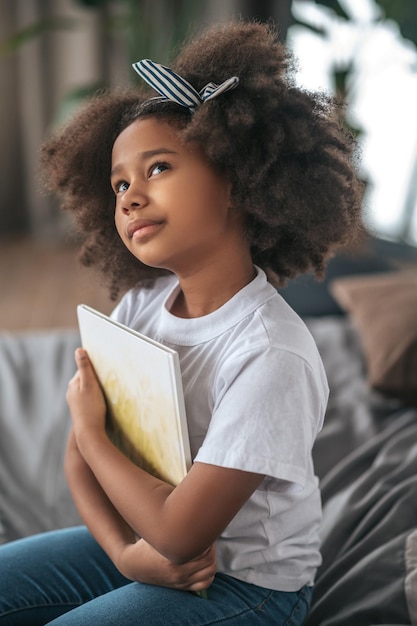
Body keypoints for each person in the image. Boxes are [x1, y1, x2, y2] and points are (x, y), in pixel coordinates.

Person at [0, 20, 363, 625]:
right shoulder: (139, 309)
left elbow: (178, 528)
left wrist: (91, 433)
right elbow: (79, 463)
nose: (129, 196)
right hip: (146, 548)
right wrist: (125, 557)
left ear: (237, 182)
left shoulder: (271, 354)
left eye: (158, 168)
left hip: (244, 588)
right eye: (119, 183)